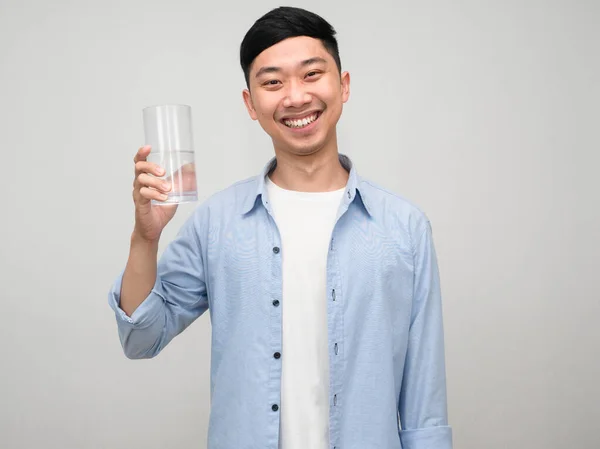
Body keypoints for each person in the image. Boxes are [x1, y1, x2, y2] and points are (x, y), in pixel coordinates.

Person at [108, 6, 453, 449]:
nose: (295, 97)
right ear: (251, 104)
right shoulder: (218, 222)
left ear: (343, 86)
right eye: (273, 82)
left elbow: (425, 404)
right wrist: (146, 238)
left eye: (312, 74)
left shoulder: (404, 228)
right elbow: (141, 337)